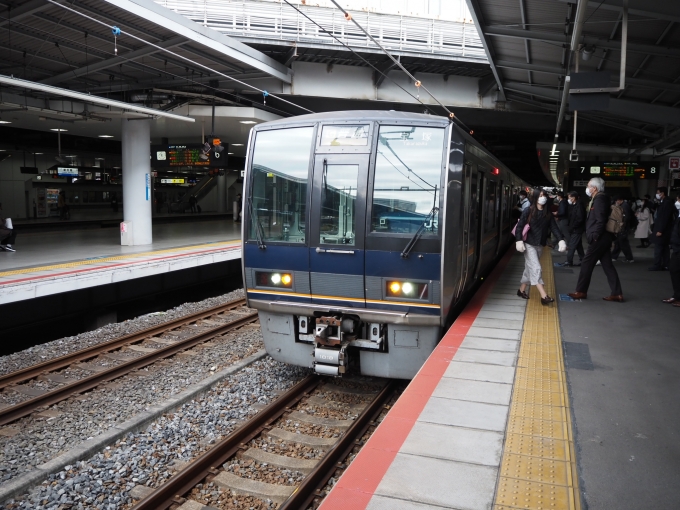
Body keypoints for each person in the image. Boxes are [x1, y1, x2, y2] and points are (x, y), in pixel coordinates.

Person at [568, 178, 623, 302]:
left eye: (588, 186)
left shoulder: (600, 199)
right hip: (603, 238)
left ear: (595, 188)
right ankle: (617, 293)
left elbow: (600, 220)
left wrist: (595, 236)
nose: (587, 188)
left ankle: (581, 291)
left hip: (600, 238)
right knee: (608, 265)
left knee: (586, 263)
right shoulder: (599, 198)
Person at [515, 189, 567, 305]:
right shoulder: (528, 211)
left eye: (544, 196)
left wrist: (561, 240)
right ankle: (544, 296)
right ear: (535, 197)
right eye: (541, 196)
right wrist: (519, 241)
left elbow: (554, 227)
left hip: (540, 245)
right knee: (537, 268)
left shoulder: (547, 213)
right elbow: (519, 227)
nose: (543, 198)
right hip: (529, 244)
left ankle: (521, 290)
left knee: (530, 268)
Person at [649, 186, 677, 271]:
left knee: (658, 248)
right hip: (664, 229)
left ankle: (657, 265)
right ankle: (666, 264)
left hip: (662, 229)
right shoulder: (663, 202)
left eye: (658, 193)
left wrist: (660, 230)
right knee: (665, 248)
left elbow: (664, 218)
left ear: (662, 193)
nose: (657, 194)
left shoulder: (667, 203)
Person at [557, 191, 585, 267]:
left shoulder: (579, 205)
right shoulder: (574, 205)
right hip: (575, 229)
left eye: (570, 197)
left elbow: (580, 218)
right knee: (579, 246)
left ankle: (569, 262)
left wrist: (572, 227)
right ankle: (583, 260)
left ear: (574, 198)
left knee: (572, 246)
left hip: (577, 229)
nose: (568, 199)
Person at [661, 195, 680, 307]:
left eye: (679, 200)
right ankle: (677, 295)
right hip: (677, 248)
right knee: (674, 270)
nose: (677, 202)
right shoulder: (678, 215)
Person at [611, 196, 634, 263]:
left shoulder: (624, 206)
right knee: (618, 242)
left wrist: (622, 224)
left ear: (620, 200)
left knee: (623, 243)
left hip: (623, 227)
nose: (616, 202)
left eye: (617, 201)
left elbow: (626, 217)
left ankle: (629, 258)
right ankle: (614, 256)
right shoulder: (624, 205)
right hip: (622, 227)